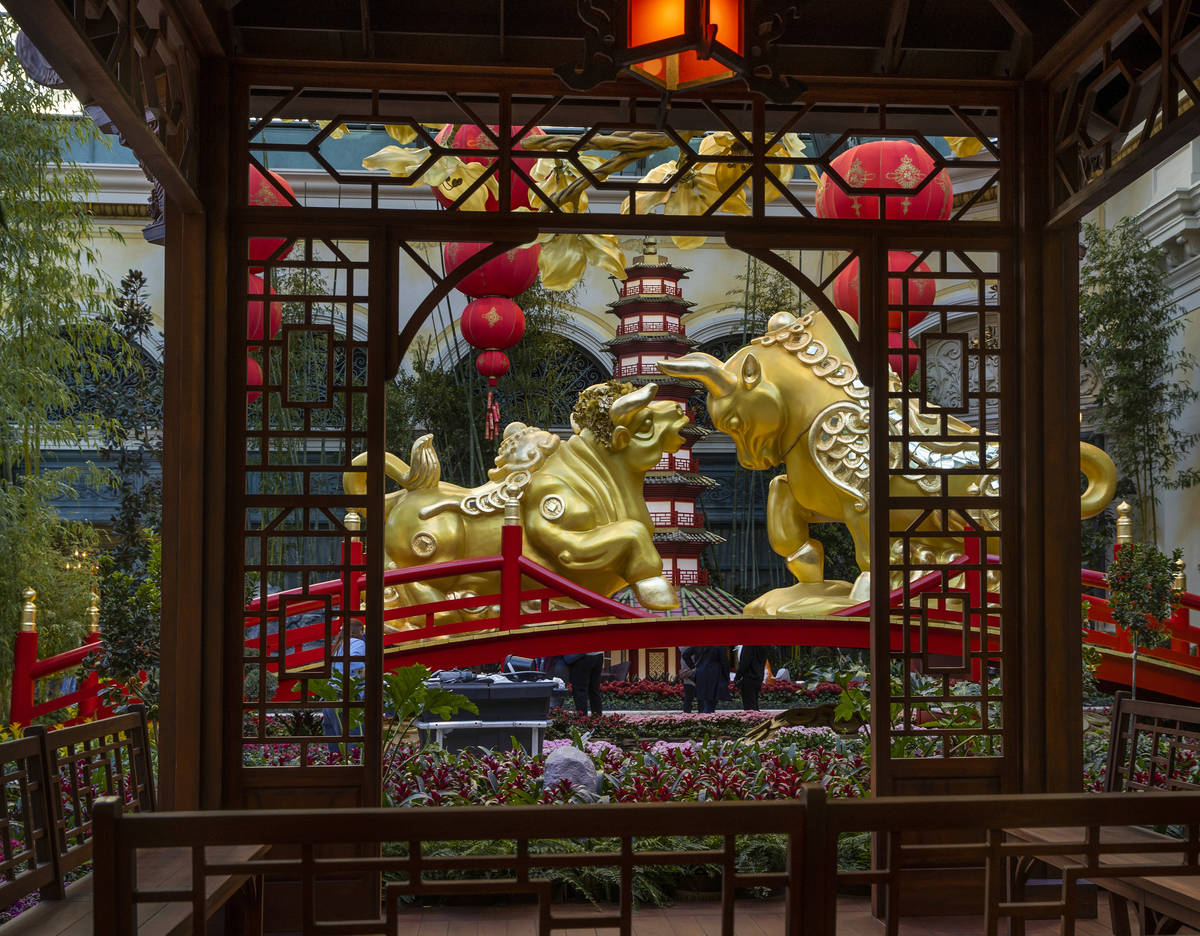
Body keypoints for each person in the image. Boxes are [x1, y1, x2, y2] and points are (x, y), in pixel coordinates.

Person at [321, 620, 366, 752]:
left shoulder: (339, 645)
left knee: (336, 747)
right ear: (360, 631)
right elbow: (353, 659)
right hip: (346, 696)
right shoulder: (358, 643)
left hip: (330, 696)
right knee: (354, 745)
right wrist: (364, 672)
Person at [683, 645, 730, 714]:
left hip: (701, 674)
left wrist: (693, 667)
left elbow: (685, 654)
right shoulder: (719, 645)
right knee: (710, 703)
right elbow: (724, 662)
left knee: (706, 701)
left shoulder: (699, 644)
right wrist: (726, 677)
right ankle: (707, 720)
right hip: (715, 675)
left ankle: (706, 719)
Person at [735, 645, 769, 711]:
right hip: (759, 676)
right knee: (754, 705)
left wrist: (737, 677)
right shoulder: (764, 645)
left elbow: (744, 663)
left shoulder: (748, 645)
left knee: (750, 707)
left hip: (749, 677)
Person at [678, 647, 697, 713]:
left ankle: (686, 715)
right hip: (690, 672)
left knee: (688, 697)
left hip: (687, 672)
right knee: (690, 697)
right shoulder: (690, 649)